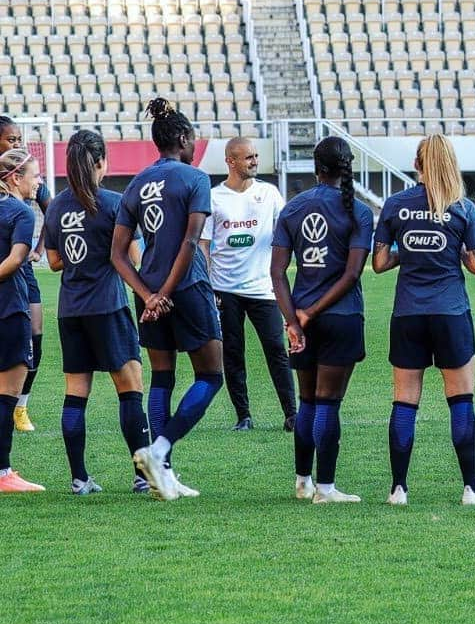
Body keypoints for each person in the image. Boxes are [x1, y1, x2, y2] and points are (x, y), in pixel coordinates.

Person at [373, 134, 475, 507]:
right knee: (460, 400)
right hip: (450, 313)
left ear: (418, 163)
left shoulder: (396, 204)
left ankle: (398, 489)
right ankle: (471, 489)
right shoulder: (462, 208)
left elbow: (379, 263)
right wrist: (453, 250)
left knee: (405, 402)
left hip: (408, 313)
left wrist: (406, 255)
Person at [112, 98, 223, 501]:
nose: (195, 143)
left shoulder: (137, 182)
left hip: (150, 294)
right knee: (211, 376)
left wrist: (147, 295)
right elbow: (191, 241)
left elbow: (117, 254)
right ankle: (159, 451)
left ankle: (165, 474)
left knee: (162, 377)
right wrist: (165, 293)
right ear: (181, 137)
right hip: (187, 288)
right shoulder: (194, 179)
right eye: (192, 136)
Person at [43, 130, 151, 494]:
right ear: (102, 162)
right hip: (108, 306)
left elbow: (55, 261)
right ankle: (143, 476)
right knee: (130, 387)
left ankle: (79, 478)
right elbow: (134, 258)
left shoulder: (56, 205)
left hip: (70, 310)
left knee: (75, 393)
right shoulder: (114, 203)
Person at [271, 136, 373, 504]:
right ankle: (326, 489)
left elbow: (277, 272)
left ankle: (302, 482)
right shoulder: (359, 212)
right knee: (328, 403)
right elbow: (352, 274)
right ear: (348, 167)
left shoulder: (292, 209)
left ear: (316, 168)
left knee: (308, 400)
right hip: (341, 317)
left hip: (302, 318)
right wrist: (311, 313)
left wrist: (294, 320)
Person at [201, 136, 296, 432]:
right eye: (248, 157)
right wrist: (207, 286)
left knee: (277, 350)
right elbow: (203, 245)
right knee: (232, 353)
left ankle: (292, 414)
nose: (255, 161)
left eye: (256, 156)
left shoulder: (269, 194)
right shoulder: (214, 198)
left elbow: (287, 232)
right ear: (231, 161)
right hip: (225, 289)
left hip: (262, 288)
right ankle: (243, 416)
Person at [0, 116, 50, 432]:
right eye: (11, 140)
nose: (17, 144)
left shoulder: (25, 187)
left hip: (18, 273)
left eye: (19, 139)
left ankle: (20, 405)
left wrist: (40, 248)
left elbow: (52, 209)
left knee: (34, 334)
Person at [0, 149, 45, 492]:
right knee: (7, 393)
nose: (39, 182)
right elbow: (17, 260)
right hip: (9, 309)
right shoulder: (20, 212)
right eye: (34, 176)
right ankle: (3, 474)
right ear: (15, 178)